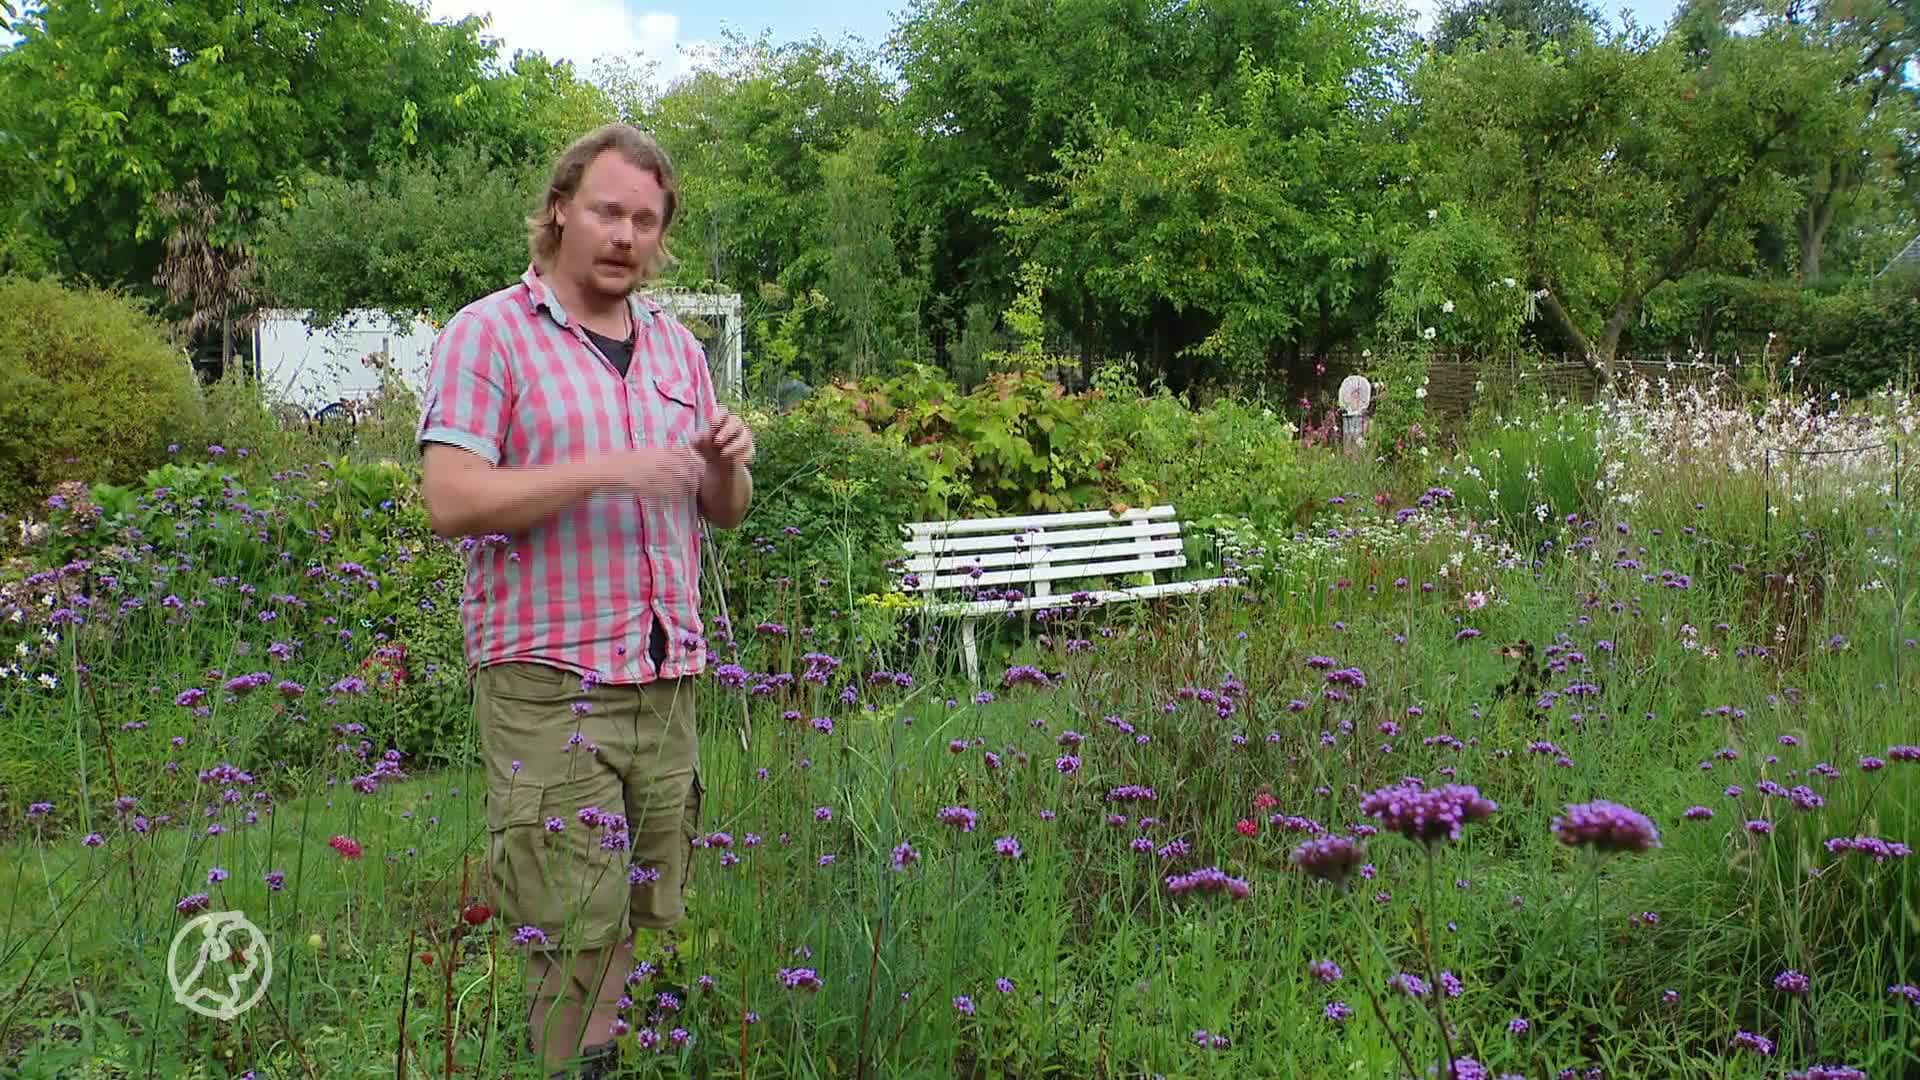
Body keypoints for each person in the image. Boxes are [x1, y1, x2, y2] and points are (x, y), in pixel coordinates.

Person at [415, 123, 754, 1077]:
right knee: (570, 925)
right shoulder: (489, 334)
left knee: (644, 906)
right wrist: (603, 467)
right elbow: (452, 498)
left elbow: (722, 514)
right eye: (609, 210)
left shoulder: (679, 351)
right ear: (560, 208)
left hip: (665, 674)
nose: (626, 235)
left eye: (646, 221)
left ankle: (618, 1055)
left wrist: (728, 466)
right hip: (549, 681)